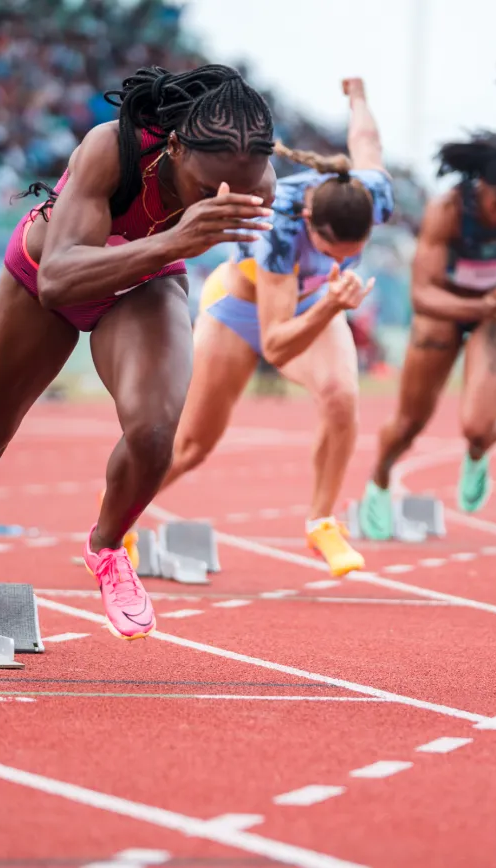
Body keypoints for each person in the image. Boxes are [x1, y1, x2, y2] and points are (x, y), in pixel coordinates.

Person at [0, 65, 278, 658]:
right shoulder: (110, 148)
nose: (225, 203)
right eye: (208, 191)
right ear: (174, 148)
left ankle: (106, 547)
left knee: (153, 435)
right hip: (47, 277)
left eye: (241, 192)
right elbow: (58, 280)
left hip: (144, 283)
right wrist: (175, 241)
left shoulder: (256, 182)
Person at [159, 78, 391, 576]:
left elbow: (367, 145)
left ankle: (321, 523)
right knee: (192, 446)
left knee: (341, 395)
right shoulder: (279, 231)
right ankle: (115, 520)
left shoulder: (369, 195)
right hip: (239, 309)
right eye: (331, 254)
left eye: (354, 254)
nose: (341, 263)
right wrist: (331, 305)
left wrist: (357, 99)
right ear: (309, 222)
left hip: (309, 304)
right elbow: (277, 341)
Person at [358, 70, 496, 539]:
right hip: (443, 311)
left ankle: (479, 453)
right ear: (481, 185)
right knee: (408, 424)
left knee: (478, 427)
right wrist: (476, 308)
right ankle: (379, 483)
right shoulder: (448, 210)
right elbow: (423, 293)